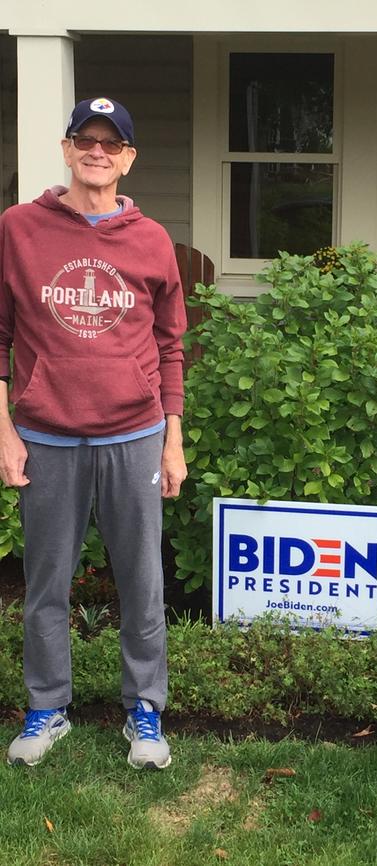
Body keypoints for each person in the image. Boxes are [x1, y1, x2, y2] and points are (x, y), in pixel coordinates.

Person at [0, 97, 187, 768]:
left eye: (112, 143)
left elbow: (170, 347)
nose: (98, 151)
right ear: (67, 147)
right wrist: (5, 432)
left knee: (142, 583)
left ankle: (145, 715)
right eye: (87, 138)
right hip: (46, 437)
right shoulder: (18, 229)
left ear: (129, 157)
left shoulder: (152, 240)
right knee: (47, 583)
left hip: (133, 435)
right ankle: (48, 708)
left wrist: (172, 440)